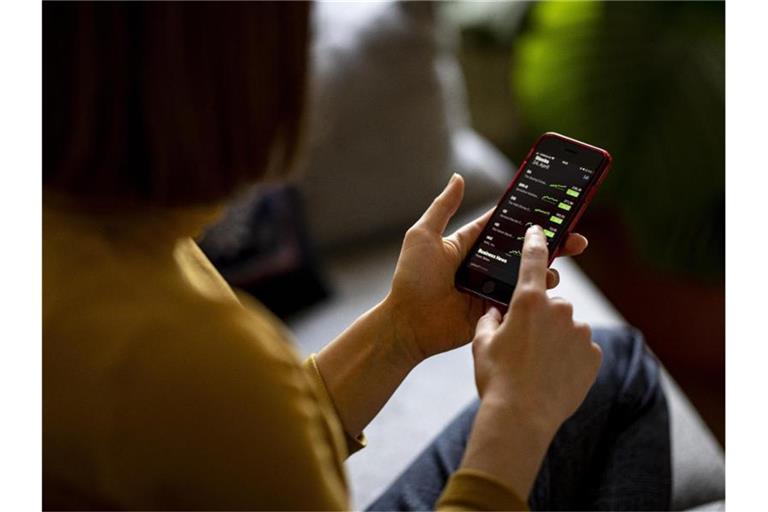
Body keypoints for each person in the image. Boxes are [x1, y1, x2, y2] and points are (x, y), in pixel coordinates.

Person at [43, 3, 670, 510]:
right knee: (624, 375)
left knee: (611, 362)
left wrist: (402, 329)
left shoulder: (83, 242)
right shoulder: (199, 359)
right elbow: (236, 414)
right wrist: (518, 418)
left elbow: (231, 449)